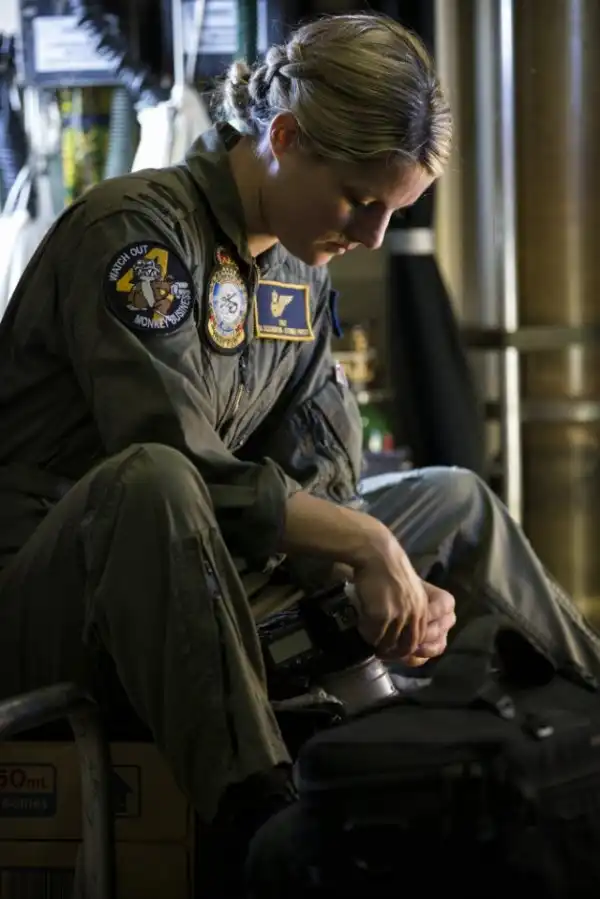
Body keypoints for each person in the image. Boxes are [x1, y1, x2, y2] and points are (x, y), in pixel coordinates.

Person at [0, 10, 599, 896]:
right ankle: (267, 825)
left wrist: (393, 589)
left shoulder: (295, 271)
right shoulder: (135, 234)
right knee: (153, 479)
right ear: (282, 138)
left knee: (454, 500)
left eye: (395, 211)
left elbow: (324, 476)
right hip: (60, 593)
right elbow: (176, 460)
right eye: (361, 200)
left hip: (212, 571)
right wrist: (365, 547)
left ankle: (587, 748)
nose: (374, 237)